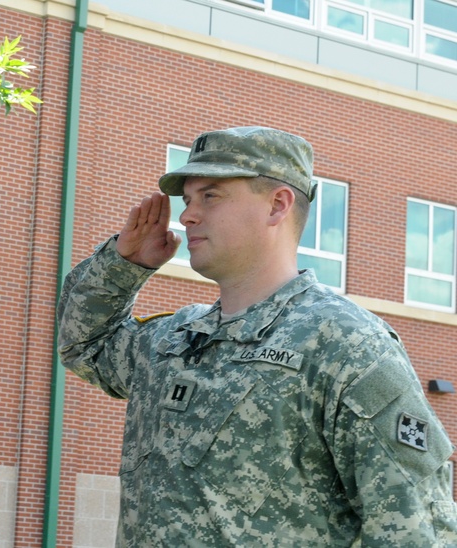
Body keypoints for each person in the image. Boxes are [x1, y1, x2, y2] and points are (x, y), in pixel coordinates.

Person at [57, 126, 457, 545]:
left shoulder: (346, 344)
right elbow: (85, 346)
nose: (188, 215)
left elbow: (416, 529)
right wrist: (122, 265)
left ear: (277, 205)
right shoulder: (172, 341)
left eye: (210, 196)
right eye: (188, 201)